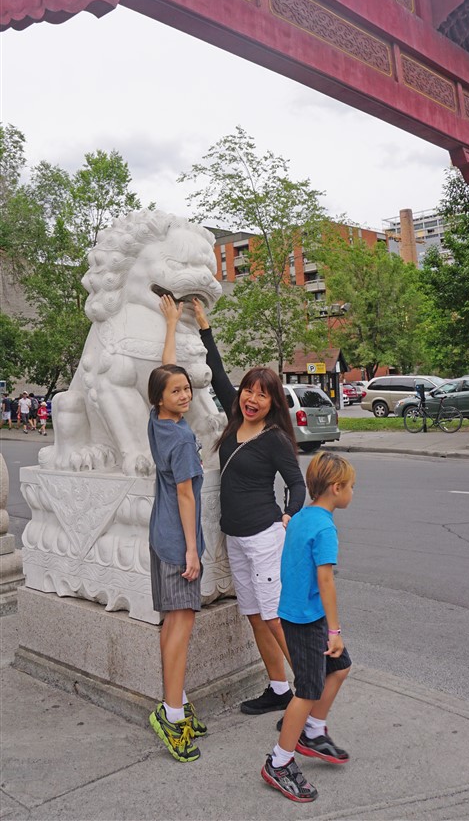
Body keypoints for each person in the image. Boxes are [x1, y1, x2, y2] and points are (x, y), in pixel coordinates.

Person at [194, 298, 306, 716]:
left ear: (273, 401)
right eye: (248, 392)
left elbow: (296, 484)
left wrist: (287, 514)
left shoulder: (275, 438)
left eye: (262, 394)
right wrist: (204, 327)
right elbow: (217, 372)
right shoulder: (235, 420)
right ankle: (279, 688)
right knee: (256, 616)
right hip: (236, 538)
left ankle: (309, 696)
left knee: (276, 618)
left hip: (264, 537)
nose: (251, 399)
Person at [261, 450, 355, 803]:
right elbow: (325, 580)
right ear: (335, 488)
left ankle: (312, 731)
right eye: (350, 487)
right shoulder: (325, 528)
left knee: (340, 669)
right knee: (307, 692)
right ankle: (279, 762)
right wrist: (335, 631)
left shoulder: (300, 517)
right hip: (307, 621)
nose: (352, 493)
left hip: (299, 613)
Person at [148, 296, 207, 764]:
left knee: (172, 623)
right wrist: (192, 552)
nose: (184, 394)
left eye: (187, 388)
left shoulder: (159, 424)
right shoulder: (184, 438)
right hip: (176, 543)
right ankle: (171, 716)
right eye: (178, 392)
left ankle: (178, 703)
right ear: (161, 400)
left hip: (159, 535)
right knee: (180, 628)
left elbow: (164, 372)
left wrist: (171, 325)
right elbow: (186, 497)